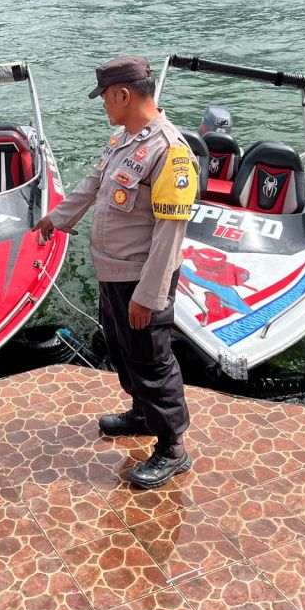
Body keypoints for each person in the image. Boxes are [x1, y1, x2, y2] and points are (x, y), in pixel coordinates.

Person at [32, 56, 196, 490]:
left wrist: (150, 295)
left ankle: (172, 447)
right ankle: (143, 413)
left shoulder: (170, 152)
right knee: (124, 351)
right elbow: (92, 184)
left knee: (152, 360)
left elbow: (169, 234)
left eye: (105, 96)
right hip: (113, 274)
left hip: (141, 280)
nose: (104, 104)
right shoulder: (124, 140)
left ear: (123, 94)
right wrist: (57, 218)